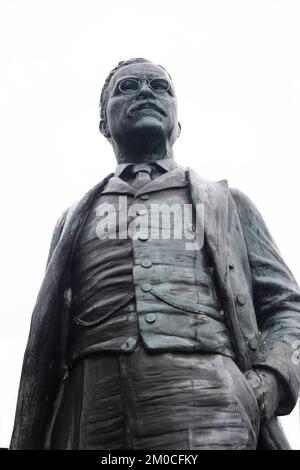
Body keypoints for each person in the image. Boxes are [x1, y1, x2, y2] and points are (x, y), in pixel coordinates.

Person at [10, 58, 300, 450]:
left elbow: (287, 309)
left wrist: (268, 383)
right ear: (103, 125)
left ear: (177, 123)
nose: (146, 92)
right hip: (89, 410)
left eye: (160, 87)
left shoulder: (227, 204)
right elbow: (47, 346)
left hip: (210, 403)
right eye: (128, 86)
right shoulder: (73, 219)